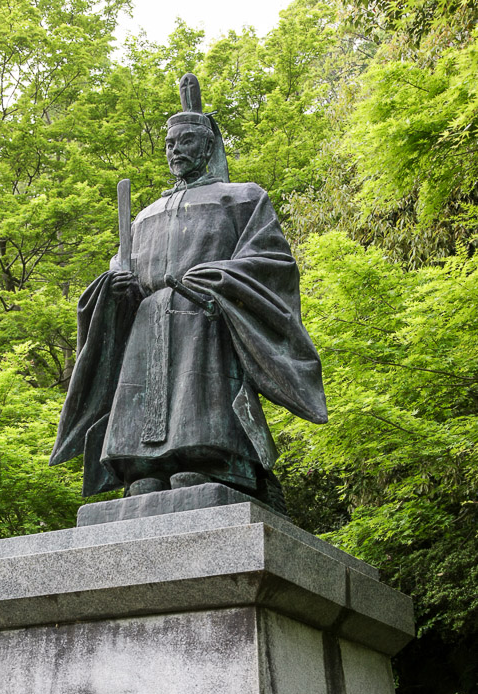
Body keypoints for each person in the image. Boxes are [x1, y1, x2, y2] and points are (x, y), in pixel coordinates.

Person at [49, 73, 327, 512]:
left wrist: (220, 280)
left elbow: (271, 261)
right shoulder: (144, 217)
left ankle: (210, 459)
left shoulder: (242, 198)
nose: (176, 150)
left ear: (208, 146)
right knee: (141, 394)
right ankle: (144, 468)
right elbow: (122, 266)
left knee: (200, 397)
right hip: (147, 320)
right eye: (170, 144)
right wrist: (115, 289)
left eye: (185, 142)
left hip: (205, 317)